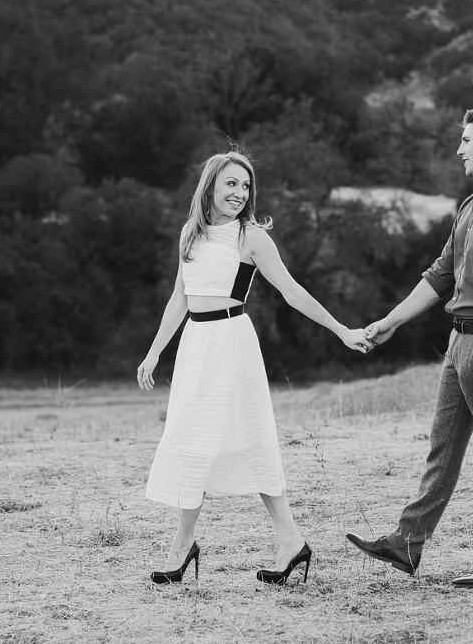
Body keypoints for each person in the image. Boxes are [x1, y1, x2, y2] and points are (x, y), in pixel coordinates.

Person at [137, 150, 371, 586]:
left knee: (252, 441)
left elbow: (293, 291)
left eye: (245, 187)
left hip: (232, 344)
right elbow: (179, 299)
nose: (240, 194)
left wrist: (340, 329)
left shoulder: (251, 238)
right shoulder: (191, 232)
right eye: (231, 184)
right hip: (195, 346)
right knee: (190, 443)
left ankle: (287, 542)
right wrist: (154, 353)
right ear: (210, 185)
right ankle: (187, 546)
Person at [347, 103, 473, 587]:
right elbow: (440, 276)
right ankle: (407, 542)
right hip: (460, 344)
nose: (459, 149)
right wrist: (390, 321)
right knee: (443, 449)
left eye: (467, 139)